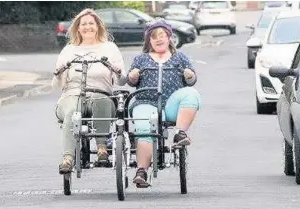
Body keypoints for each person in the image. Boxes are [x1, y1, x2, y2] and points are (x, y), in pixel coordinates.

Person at [127, 19, 201, 185]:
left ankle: (179, 133)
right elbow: (130, 81)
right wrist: (133, 76)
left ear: (169, 38)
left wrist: (189, 75)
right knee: (145, 128)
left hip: (171, 104)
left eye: (162, 35)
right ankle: (142, 171)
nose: (159, 39)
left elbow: (191, 80)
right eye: (154, 36)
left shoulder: (180, 57)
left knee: (192, 94)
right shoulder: (141, 59)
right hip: (146, 102)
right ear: (149, 41)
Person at [52, 8, 127, 173]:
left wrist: (117, 70)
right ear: (77, 28)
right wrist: (58, 73)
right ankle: (68, 159)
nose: (87, 27)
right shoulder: (69, 50)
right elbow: (56, 86)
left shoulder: (109, 48)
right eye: (83, 24)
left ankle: (102, 149)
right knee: (72, 112)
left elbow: (122, 81)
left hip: (101, 93)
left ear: (98, 26)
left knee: (103, 104)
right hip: (72, 94)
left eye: (91, 23)